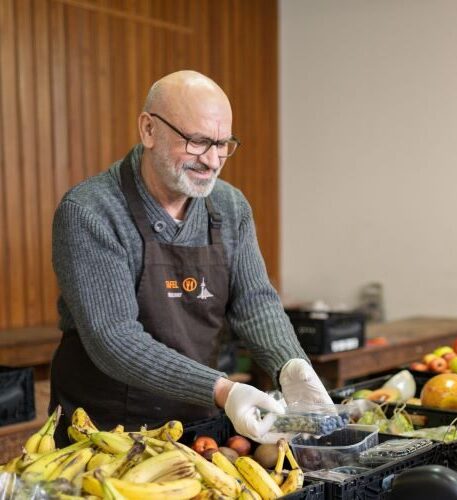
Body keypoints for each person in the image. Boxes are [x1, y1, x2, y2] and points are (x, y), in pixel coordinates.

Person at [49, 70, 330, 444]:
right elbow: (114, 337)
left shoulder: (230, 207)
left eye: (223, 144)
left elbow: (255, 303)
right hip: (103, 431)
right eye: (198, 142)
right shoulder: (90, 212)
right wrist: (224, 390)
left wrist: (290, 364)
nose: (212, 161)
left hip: (197, 426)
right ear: (148, 130)